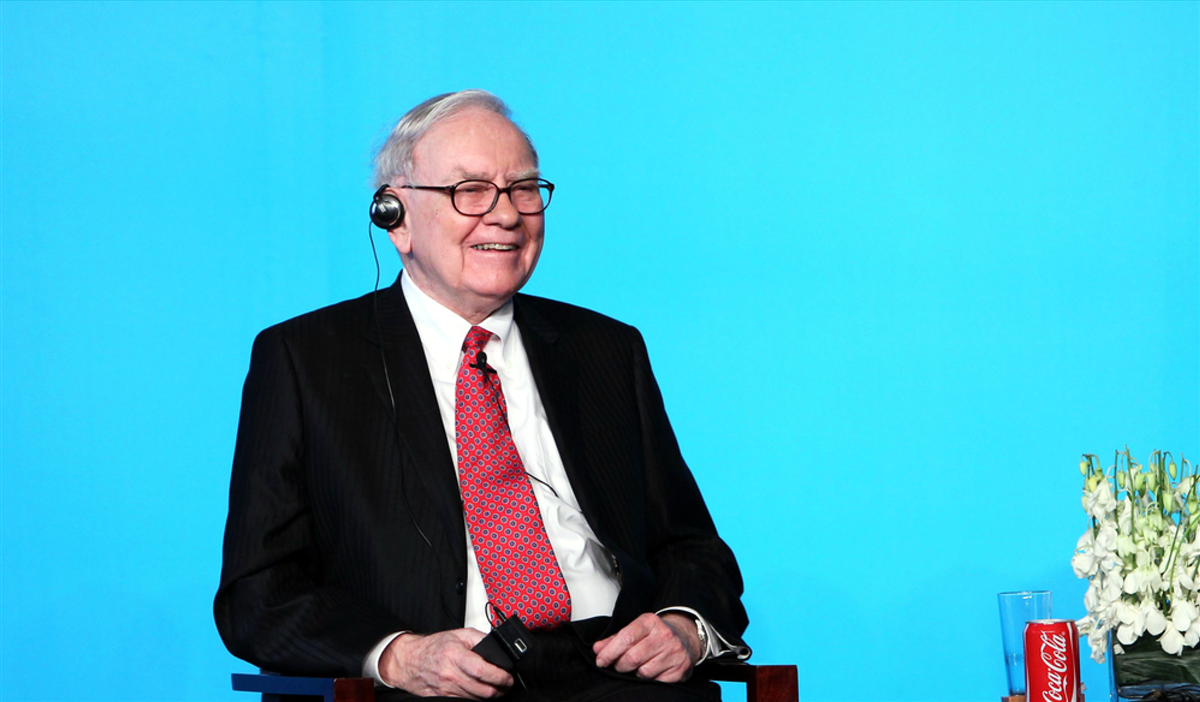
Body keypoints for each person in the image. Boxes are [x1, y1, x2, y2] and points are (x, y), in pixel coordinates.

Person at [214, 90, 749, 702]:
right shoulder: (307, 358)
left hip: (609, 671)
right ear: (397, 218)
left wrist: (685, 627)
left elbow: (691, 547)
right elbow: (258, 595)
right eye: (470, 190)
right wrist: (400, 655)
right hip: (436, 685)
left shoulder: (606, 348)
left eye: (523, 189)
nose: (506, 214)